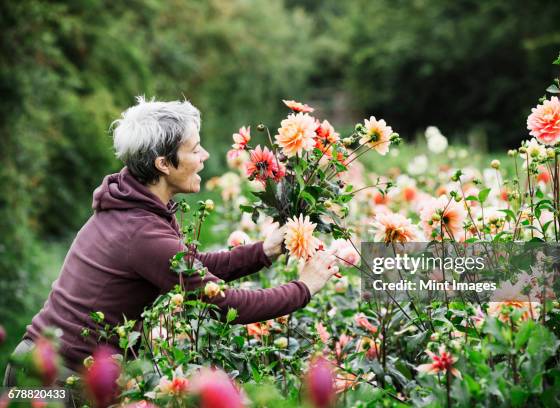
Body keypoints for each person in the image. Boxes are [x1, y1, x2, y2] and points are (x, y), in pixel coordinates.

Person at [3, 96, 339, 391]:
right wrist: (304, 287)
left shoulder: (134, 205)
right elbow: (225, 305)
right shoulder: (142, 233)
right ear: (162, 164)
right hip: (51, 382)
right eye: (194, 150)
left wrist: (263, 251)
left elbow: (191, 268)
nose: (206, 155)